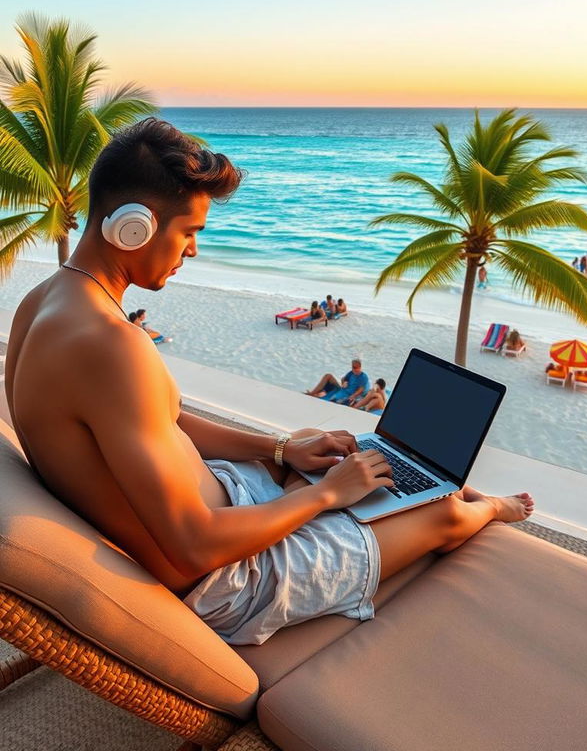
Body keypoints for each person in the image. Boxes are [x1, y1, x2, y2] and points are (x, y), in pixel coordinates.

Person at [5, 117, 534, 648]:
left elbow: (158, 420)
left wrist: (281, 451)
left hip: (224, 502)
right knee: (441, 515)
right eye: (189, 232)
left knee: (316, 444)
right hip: (230, 581)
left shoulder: (44, 303)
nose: (192, 251)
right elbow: (191, 547)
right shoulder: (112, 346)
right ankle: (488, 506)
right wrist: (327, 496)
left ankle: (409, 480)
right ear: (133, 227)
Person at [306, 358, 370, 405]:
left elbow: (360, 390)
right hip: (343, 390)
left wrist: (352, 396)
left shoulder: (363, 377)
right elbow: (344, 379)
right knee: (328, 375)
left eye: (356, 368)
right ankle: (312, 393)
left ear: (360, 367)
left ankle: (317, 394)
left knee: (333, 400)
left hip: (349, 394)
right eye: (353, 367)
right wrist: (344, 382)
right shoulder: (351, 373)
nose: (354, 369)